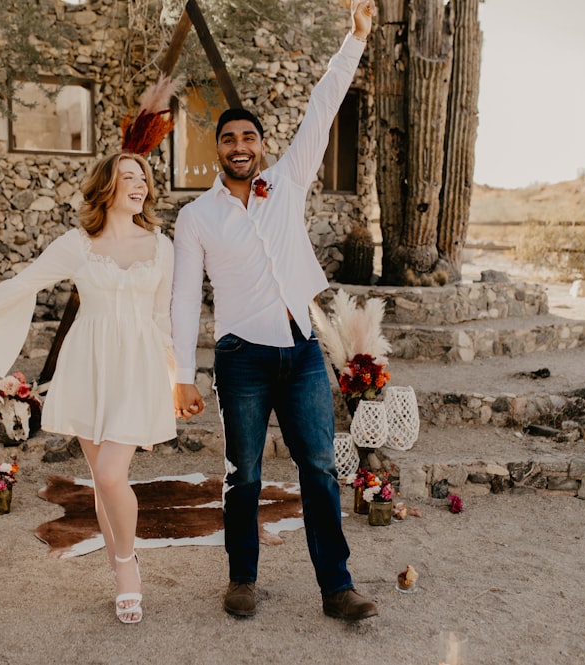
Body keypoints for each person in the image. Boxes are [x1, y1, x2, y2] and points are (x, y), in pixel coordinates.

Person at [170, 0, 377, 621]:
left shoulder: (286, 184)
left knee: (319, 468)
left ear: (261, 146)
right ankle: (242, 580)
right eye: (229, 137)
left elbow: (322, 105)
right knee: (245, 475)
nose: (240, 145)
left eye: (249, 136)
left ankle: (337, 588)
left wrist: (356, 40)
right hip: (241, 360)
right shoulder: (196, 217)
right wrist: (182, 373)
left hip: (304, 351)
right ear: (217, 149)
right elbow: (183, 297)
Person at [0, 152, 176, 624]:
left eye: (143, 177)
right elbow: (19, 287)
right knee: (102, 479)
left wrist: (174, 378)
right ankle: (121, 561)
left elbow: (162, 317)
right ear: (107, 185)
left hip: (137, 369)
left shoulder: (162, 245)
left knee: (110, 477)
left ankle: (126, 568)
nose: (139, 185)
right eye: (128, 177)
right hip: (88, 366)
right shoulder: (77, 245)